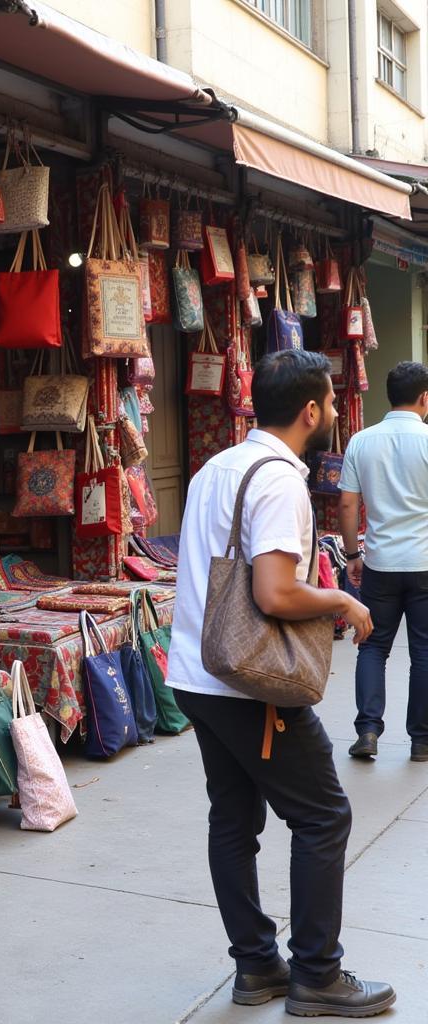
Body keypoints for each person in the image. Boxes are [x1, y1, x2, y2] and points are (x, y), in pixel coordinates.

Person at [167, 349, 394, 1017]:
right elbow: (273, 593)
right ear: (311, 410)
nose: (330, 411)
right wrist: (342, 602)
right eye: (329, 401)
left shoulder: (218, 467)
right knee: (324, 815)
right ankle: (318, 975)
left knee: (233, 819)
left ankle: (257, 967)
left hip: (197, 675)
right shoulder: (279, 481)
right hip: (250, 685)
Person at [339, 360, 428, 762]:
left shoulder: (361, 440)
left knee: (372, 647)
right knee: (424, 652)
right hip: (425, 563)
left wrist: (353, 554)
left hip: (380, 562)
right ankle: (422, 741)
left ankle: (369, 731)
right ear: (425, 398)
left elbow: (347, 502)